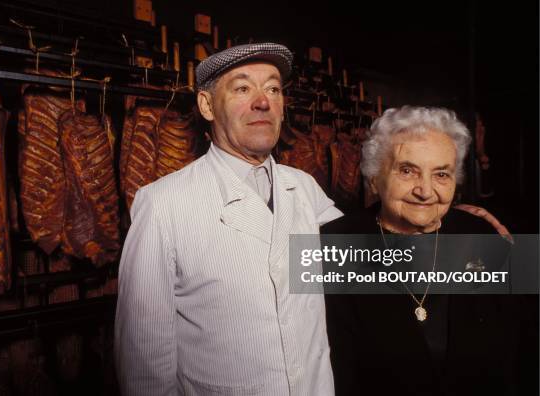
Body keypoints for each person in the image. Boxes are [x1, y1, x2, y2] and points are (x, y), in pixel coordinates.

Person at [115, 43, 343, 395]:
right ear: (206, 105)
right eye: (242, 88)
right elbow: (143, 362)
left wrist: (449, 223)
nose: (262, 101)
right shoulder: (163, 205)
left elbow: (375, 265)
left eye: (273, 88)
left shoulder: (305, 189)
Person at [321, 106, 538, 396]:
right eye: (407, 170)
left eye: (441, 174)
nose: (425, 190)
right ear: (374, 177)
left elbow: (524, 351)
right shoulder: (333, 247)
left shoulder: (482, 234)